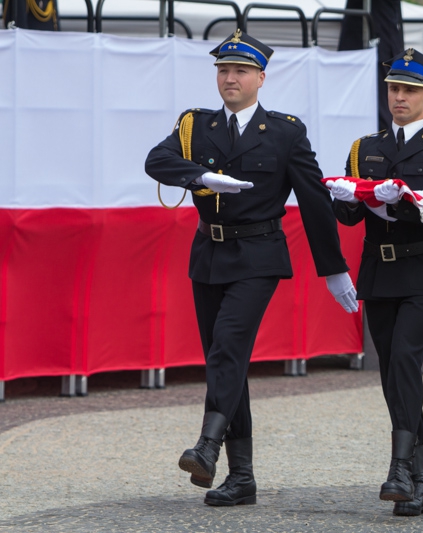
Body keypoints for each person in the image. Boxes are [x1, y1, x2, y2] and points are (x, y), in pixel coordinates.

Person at [144, 30, 358, 507]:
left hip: (258, 254)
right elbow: (156, 160)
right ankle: (242, 478)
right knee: (226, 359)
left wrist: (333, 268)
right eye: (223, 70)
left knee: (228, 346)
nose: (230, 78)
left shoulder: (284, 132)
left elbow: (314, 200)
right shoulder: (196, 125)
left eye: (240, 71)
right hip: (209, 253)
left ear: (261, 78)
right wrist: (199, 176)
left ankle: (208, 444)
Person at [328, 49, 423, 517]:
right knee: (393, 372)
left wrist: (397, 201)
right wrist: (347, 197)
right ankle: (419, 481)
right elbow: (349, 216)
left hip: (422, 270)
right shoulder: (366, 147)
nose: (399, 97)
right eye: (393, 88)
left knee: (406, 358)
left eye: (409, 90)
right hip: (380, 271)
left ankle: (399, 468)